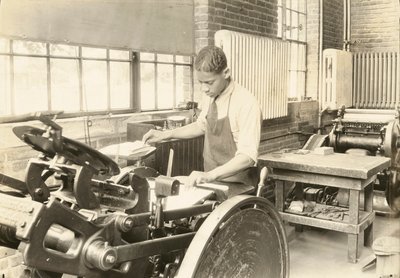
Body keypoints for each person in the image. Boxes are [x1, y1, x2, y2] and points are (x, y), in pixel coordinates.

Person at [143, 45, 262, 188]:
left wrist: (209, 175)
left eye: (209, 82)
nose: (204, 89)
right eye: (201, 82)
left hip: (239, 185)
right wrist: (165, 135)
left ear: (226, 73)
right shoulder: (210, 95)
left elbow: (247, 157)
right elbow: (201, 126)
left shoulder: (246, 103)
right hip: (212, 181)